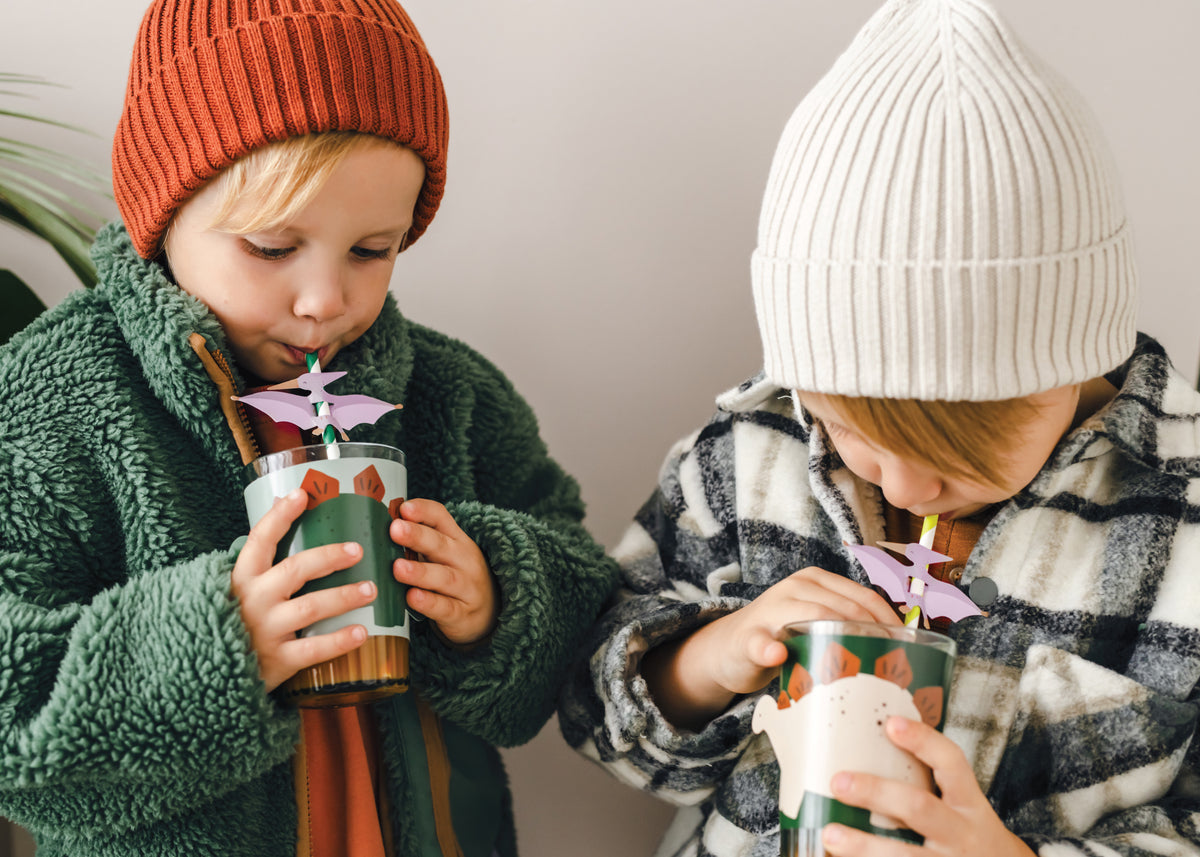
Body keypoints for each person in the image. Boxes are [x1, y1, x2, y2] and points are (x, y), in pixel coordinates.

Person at [558, 0, 1200, 855]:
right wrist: (707, 660)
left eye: (957, 450)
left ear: (1073, 358)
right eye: (849, 427)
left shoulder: (1180, 522)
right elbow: (592, 714)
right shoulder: (747, 461)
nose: (900, 486)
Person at [0, 2, 616, 856]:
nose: (326, 300)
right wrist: (214, 648)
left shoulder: (448, 395)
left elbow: (589, 599)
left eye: (371, 250)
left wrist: (498, 595)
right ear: (163, 214)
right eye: (269, 245)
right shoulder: (57, 403)